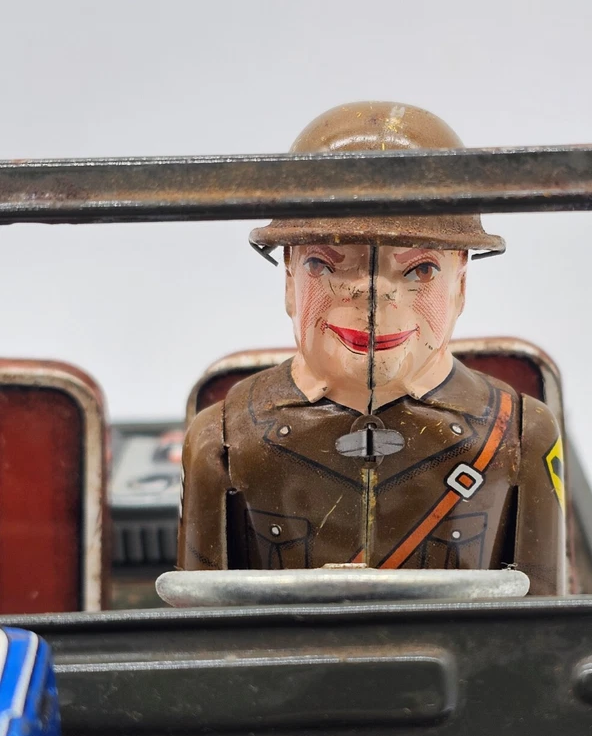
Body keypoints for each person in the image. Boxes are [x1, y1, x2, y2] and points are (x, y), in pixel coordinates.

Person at [177, 102, 565, 595]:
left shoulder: (521, 436)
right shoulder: (225, 438)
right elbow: (202, 628)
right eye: (324, 264)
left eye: (420, 270)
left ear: (460, 284)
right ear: (290, 277)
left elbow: (550, 624)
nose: (373, 296)